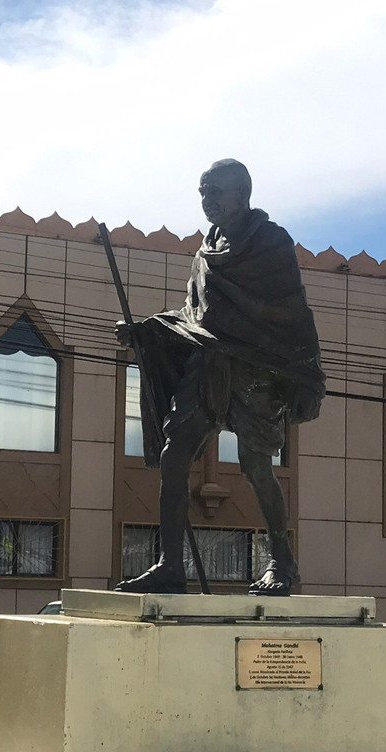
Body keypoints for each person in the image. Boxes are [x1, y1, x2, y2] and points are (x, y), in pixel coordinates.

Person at [114, 159, 325, 596]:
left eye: (217, 192)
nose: (209, 201)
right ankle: (170, 566)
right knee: (174, 459)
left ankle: (282, 562)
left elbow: (292, 313)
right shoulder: (204, 254)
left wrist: (305, 374)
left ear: (242, 194)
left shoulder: (270, 242)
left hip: (256, 370)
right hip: (210, 366)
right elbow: (195, 316)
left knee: (255, 466)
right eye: (203, 192)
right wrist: (147, 329)